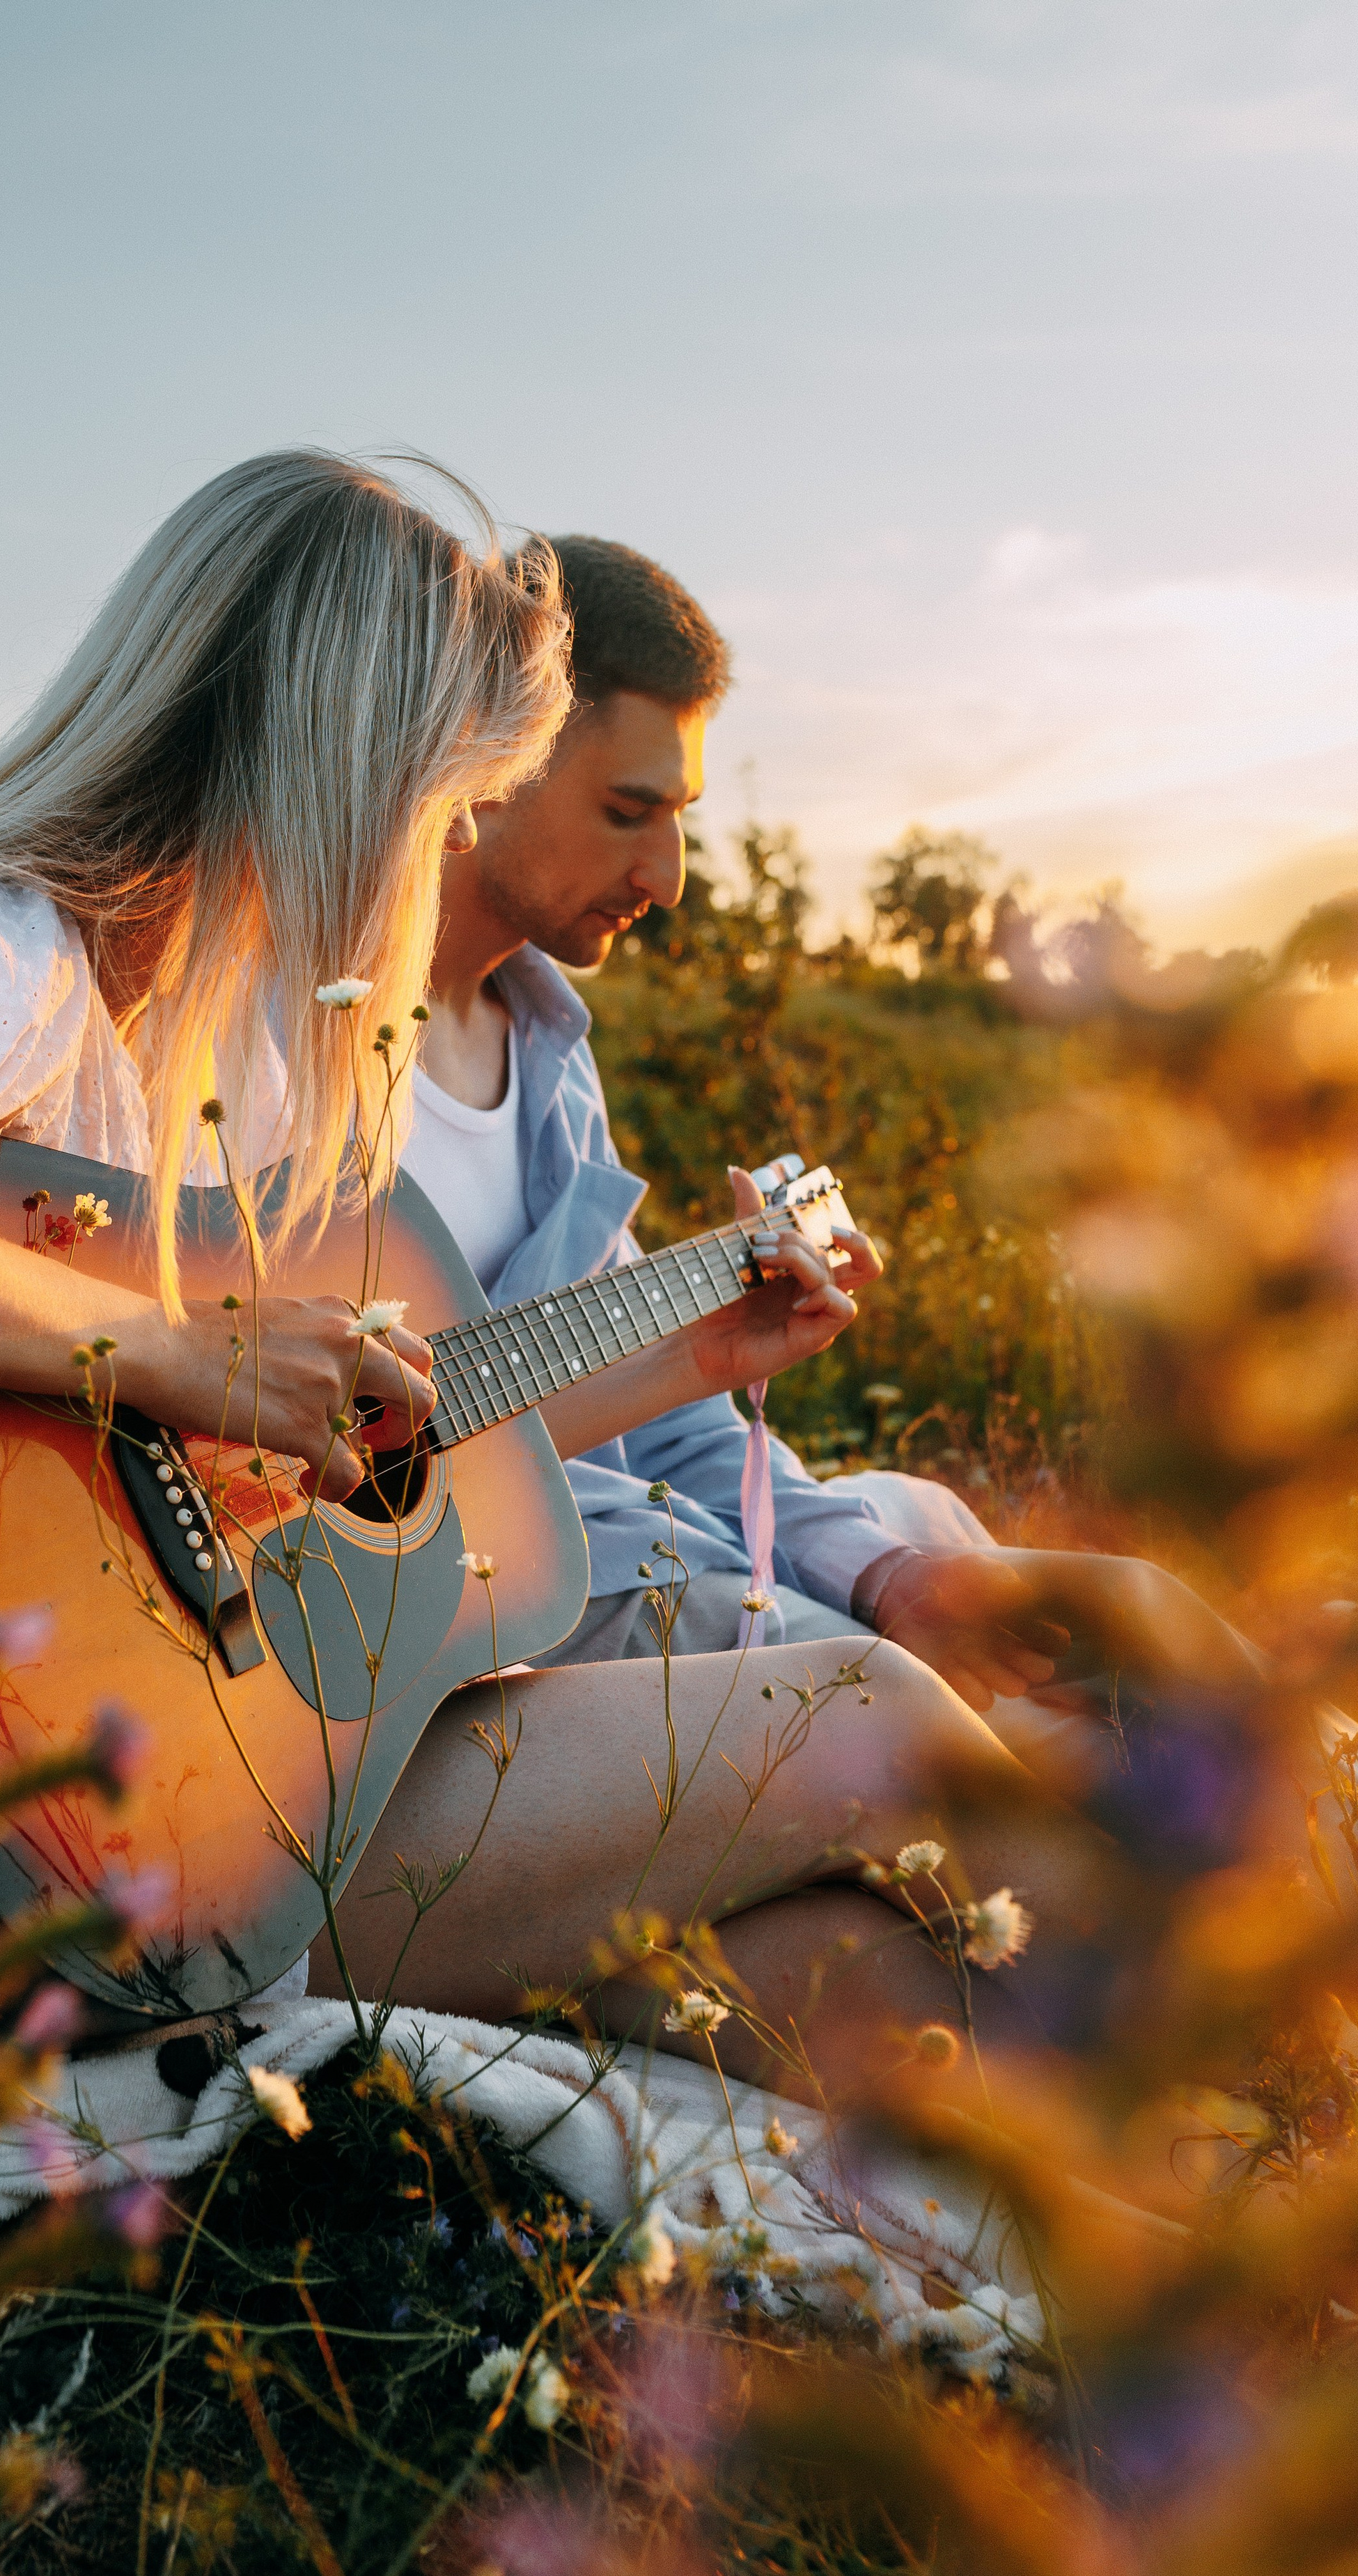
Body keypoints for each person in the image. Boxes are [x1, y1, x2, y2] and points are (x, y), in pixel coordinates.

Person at [0, 451, 1226, 2094]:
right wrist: (157, 1355)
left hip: (242, 1798)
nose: (440, 853)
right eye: (448, 802)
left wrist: (684, 1357)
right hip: (67, 1852)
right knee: (867, 1715)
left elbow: (378, 1470)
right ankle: (1238, 2007)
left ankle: (1206, 2160)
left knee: (866, 1982)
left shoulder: (262, 1070)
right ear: (343, 762)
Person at [398, 533, 1194, 1747]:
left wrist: (883, 1580)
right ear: (489, 754)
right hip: (504, 1605)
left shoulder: (553, 1054)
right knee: (1047, 1746)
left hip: (632, 1536)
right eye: (628, 811)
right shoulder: (309, 1053)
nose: (665, 878)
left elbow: (665, 1424)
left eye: (681, 819)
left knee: (936, 1526)